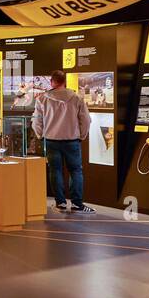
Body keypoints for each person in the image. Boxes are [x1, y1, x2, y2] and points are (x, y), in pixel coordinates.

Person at [33, 69, 93, 213]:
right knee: (76, 171)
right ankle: (77, 204)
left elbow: (37, 120)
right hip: (72, 140)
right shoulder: (76, 97)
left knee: (55, 171)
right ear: (64, 81)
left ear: (52, 82)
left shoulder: (42, 99)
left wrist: (40, 135)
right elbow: (85, 120)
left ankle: (60, 202)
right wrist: (82, 135)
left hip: (52, 140)